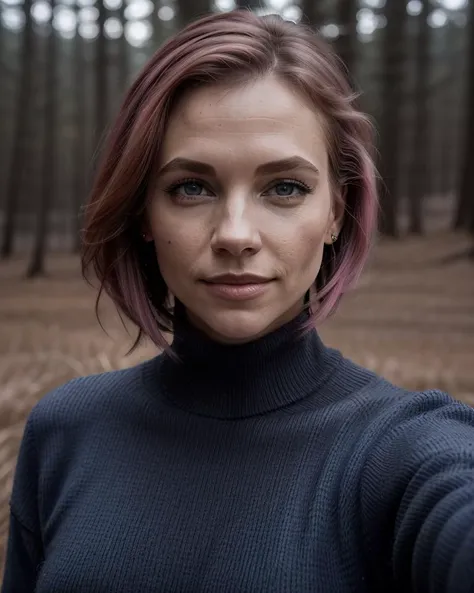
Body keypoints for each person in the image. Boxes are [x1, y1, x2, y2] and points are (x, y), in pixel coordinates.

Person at [2, 9, 474, 593]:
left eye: (284, 188)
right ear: (144, 210)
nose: (235, 234)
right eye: (191, 187)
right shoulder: (65, 431)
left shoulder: (400, 451)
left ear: (335, 211)